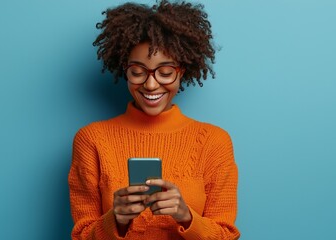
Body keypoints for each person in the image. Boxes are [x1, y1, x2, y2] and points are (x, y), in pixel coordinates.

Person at [68, 1, 240, 239]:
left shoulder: (214, 142)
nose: (150, 84)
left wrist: (187, 217)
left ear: (183, 71)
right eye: (137, 72)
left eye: (165, 72)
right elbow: (81, 235)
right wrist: (115, 220)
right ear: (123, 69)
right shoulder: (91, 140)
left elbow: (227, 235)